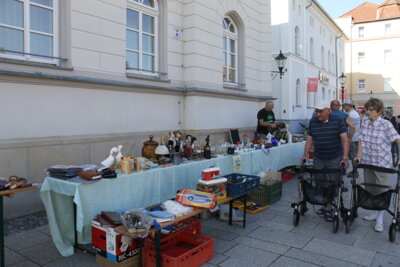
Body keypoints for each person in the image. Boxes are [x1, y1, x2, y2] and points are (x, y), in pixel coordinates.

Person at [354, 98, 400, 232]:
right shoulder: (365, 122)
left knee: (381, 191)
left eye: (370, 110)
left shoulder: (386, 124)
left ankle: (380, 220)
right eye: (366, 109)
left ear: (379, 111)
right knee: (371, 190)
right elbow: (361, 140)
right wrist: (358, 156)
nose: (367, 112)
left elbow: (398, 141)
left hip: (382, 164)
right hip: (368, 162)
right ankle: (375, 213)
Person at [300, 103, 349, 222]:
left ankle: (328, 207)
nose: (318, 114)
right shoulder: (313, 121)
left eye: (321, 111)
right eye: (317, 111)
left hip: (334, 157)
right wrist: (305, 155)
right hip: (319, 157)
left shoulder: (337, 120)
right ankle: (325, 203)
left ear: (329, 110)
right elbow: (310, 139)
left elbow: (344, 139)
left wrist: (345, 157)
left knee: (332, 182)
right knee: (319, 181)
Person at [342, 100, 361, 178]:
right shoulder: (354, 113)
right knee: (353, 155)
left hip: (353, 138)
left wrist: (349, 138)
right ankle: (354, 171)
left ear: (349, 105)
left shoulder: (351, 114)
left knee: (353, 156)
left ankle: (355, 172)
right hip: (355, 137)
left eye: (344, 105)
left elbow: (352, 128)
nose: (343, 107)